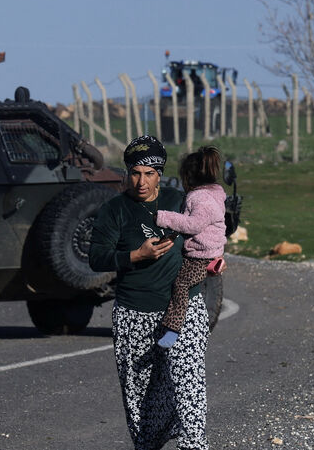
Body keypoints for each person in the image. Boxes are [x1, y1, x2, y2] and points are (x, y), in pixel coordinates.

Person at [89, 135, 209, 450]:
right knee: (142, 399)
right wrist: (134, 256)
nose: (141, 181)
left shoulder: (179, 201)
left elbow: (207, 232)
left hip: (182, 310)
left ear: (160, 174)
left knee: (188, 382)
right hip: (133, 314)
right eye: (135, 173)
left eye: (149, 173)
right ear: (127, 173)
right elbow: (96, 258)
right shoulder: (114, 210)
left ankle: (194, 445)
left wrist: (214, 258)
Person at [155, 146, 227, 349]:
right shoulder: (214, 194)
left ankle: (173, 329)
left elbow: (192, 225)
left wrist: (163, 217)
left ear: (188, 177)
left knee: (181, 285)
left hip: (202, 256)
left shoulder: (200, 199)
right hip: (209, 252)